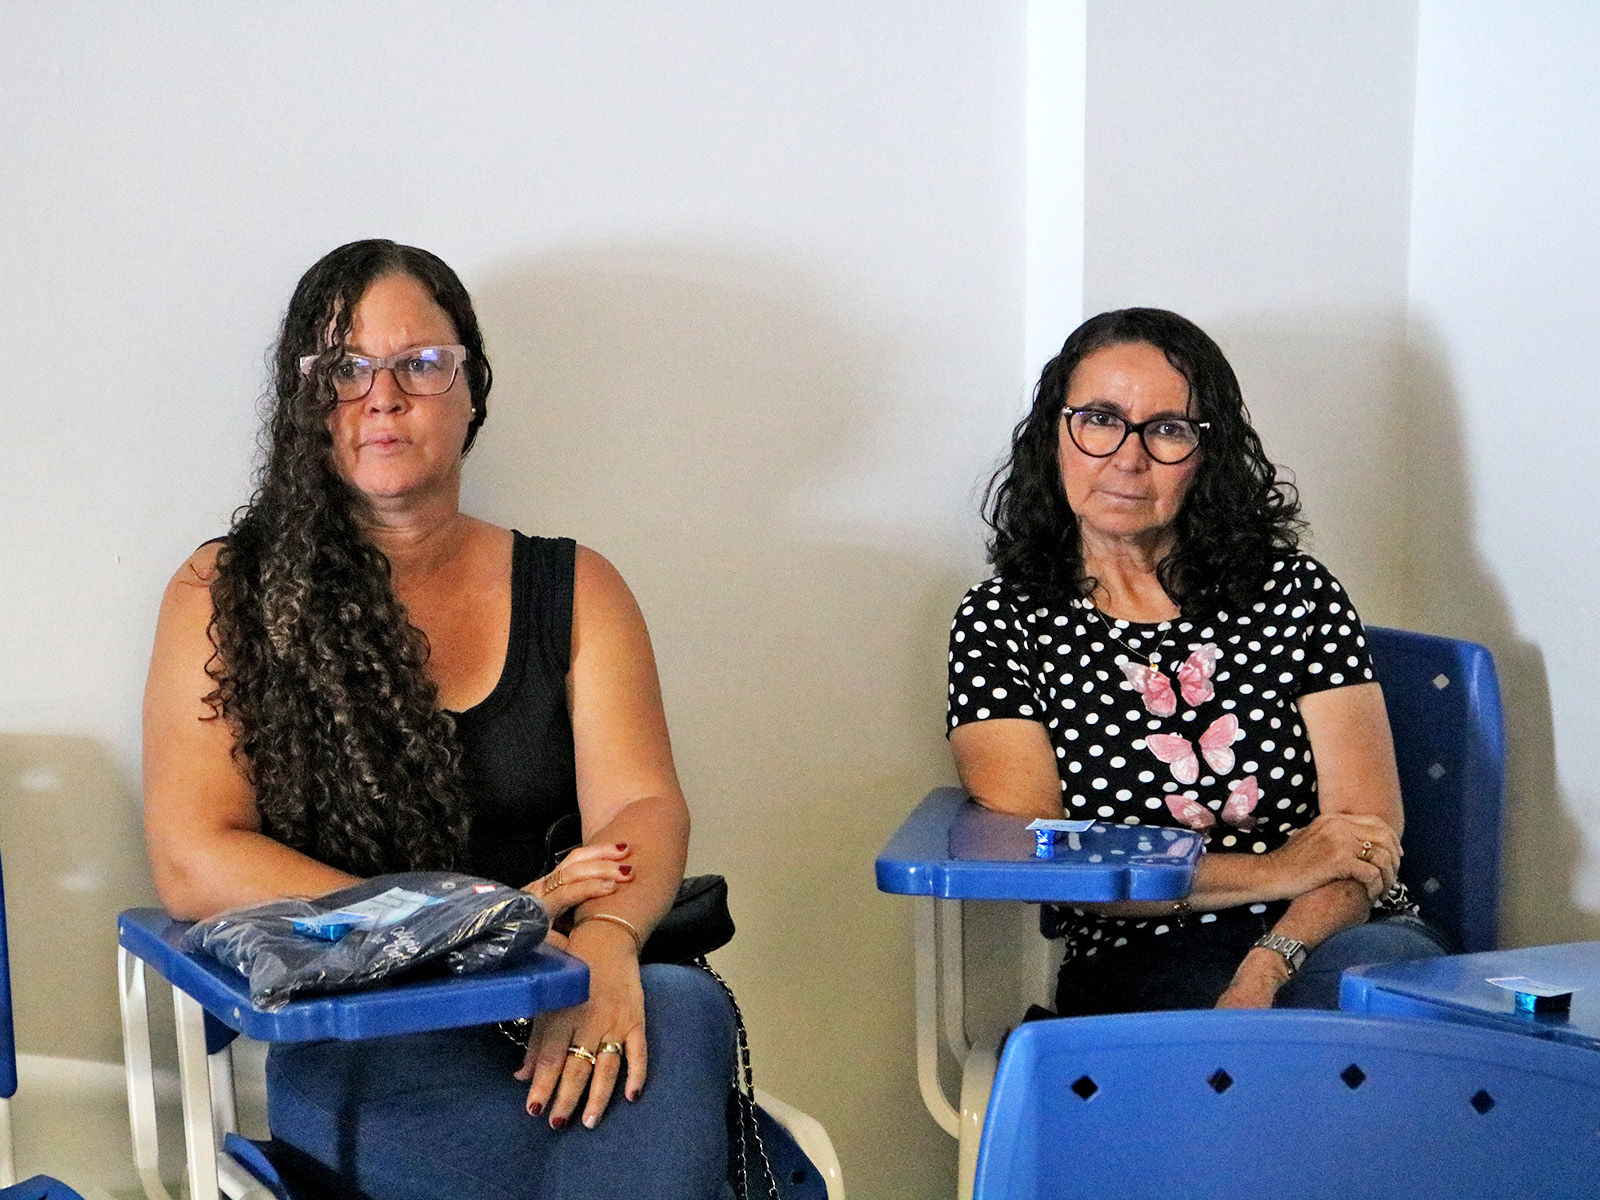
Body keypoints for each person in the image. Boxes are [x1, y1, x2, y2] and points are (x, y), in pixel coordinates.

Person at [142, 239, 734, 1199]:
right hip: (375, 1026)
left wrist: (607, 941)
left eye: (421, 363)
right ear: (306, 402)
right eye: (345, 368)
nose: (383, 397)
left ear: (471, 390)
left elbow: (644, 806)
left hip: (563, 990)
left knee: (679, 1007)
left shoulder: (577, 588)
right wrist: (477, 930)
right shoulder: (226, 592)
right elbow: (193, 857)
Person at [947, 307, 1447, 1016]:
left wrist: (1269, 964)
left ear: (1209, 454)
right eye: (1100, 419)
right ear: (1054, 435)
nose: (1128, 457)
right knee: (1247, 1046)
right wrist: (1278, 869)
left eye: (1168, 430)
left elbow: (1364, 842)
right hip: (1141, 954)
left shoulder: (1296, 594)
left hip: (1338, 932)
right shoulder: (1001, 622)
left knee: (1361, 1002)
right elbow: (1047, 859)